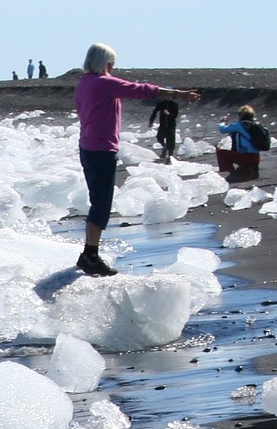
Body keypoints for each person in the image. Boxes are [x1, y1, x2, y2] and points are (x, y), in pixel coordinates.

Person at [74, 42, 200, 275]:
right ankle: (90, 255)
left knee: (97, 201)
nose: (112, 67)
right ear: (104, 63)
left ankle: (88, 253)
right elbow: (140, 89)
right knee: (101, 203)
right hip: (102, 149)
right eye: (111, 62)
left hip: (87, 147)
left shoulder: (84, 83)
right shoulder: (104, 83)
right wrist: (178, 94)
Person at [216, 105, 264, 182]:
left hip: (245, 157)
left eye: (239, 114)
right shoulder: (255, 126)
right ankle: (249, 171)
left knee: (220, 152)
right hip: (256, 158)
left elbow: (223, 129)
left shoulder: (239, 125)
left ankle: (233, 173)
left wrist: (223, 123)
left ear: (242, 115)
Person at [148, 96, 181, 162]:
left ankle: (170, 157)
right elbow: (154, 112)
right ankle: (165, 147)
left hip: (171, 125)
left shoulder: (174, 104)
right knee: (159, 137)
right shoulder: (161, 104)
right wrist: (151, 122)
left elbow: (175, 115)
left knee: (171, 140)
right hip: (162, 125)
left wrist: (169, 114)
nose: (168, 97)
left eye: (170, 96)